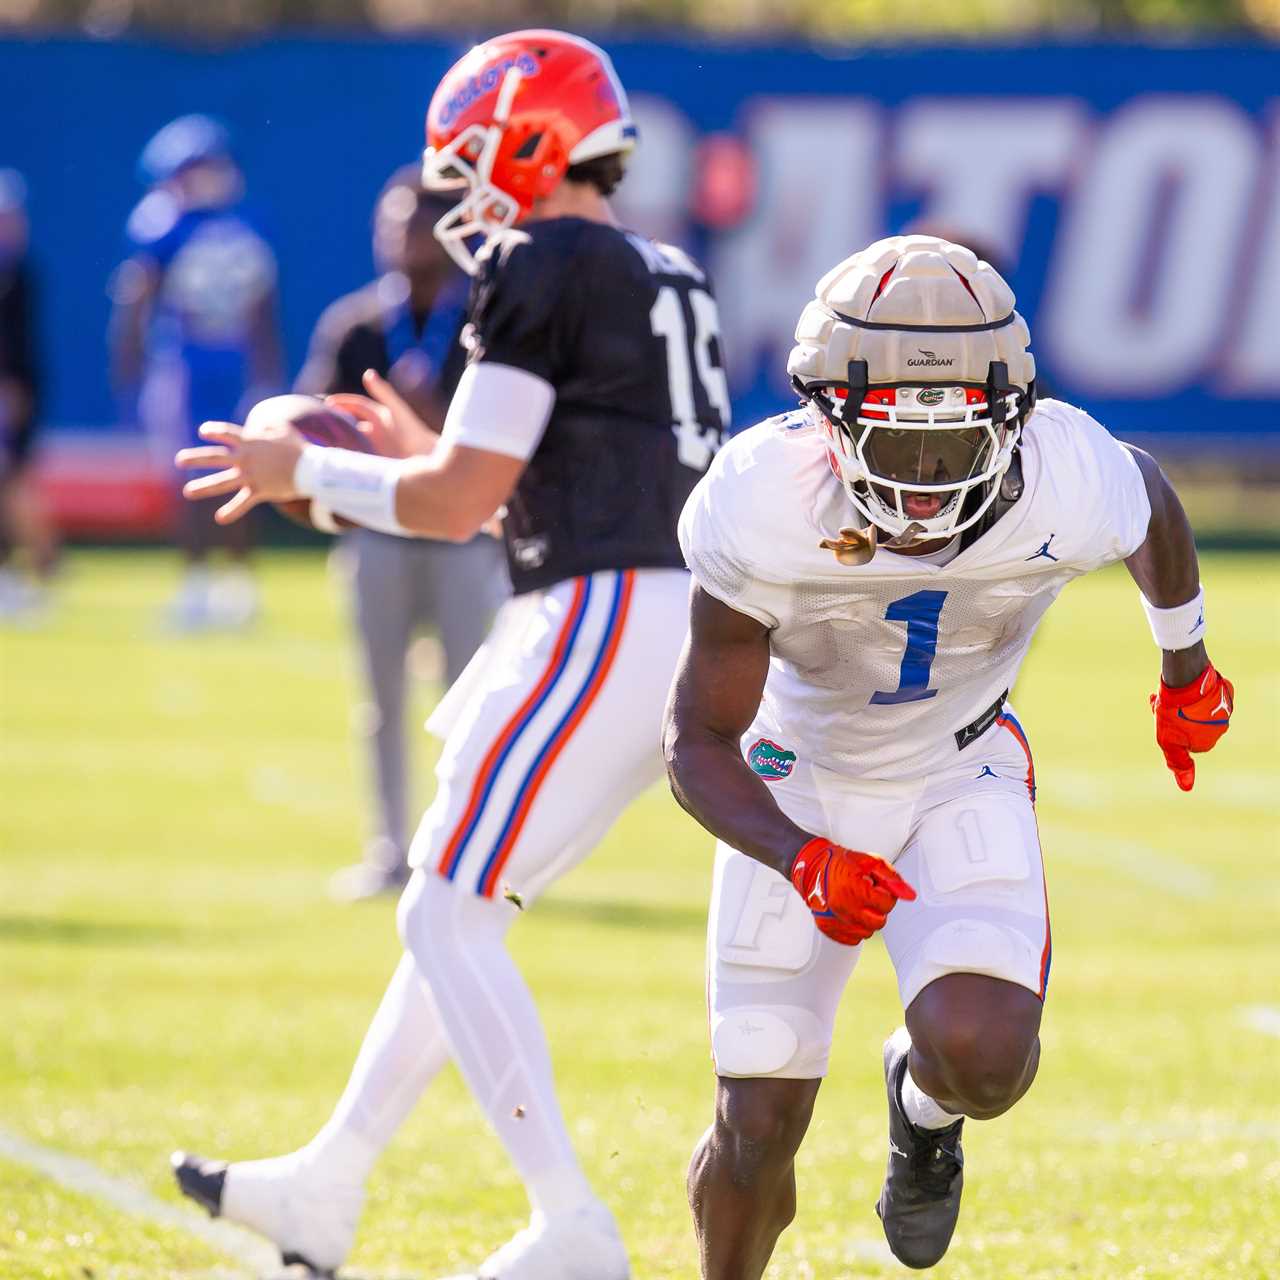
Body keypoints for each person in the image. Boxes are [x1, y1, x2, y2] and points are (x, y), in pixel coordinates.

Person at [169, 30, 729, 1278]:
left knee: (441, 907)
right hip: (664, 612)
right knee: (455, 907)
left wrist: (301, 469)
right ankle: (327, 1179)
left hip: (596, 611)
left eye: (467, 156)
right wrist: (403, 455)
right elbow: (508, 483)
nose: (452, 188)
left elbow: (452, 496)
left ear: (526, 141)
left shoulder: (538, 257)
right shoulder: (663, 267)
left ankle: (569, 1222)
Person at [662, 235, 1234, 1278]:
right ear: (824, 416)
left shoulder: (1064, 470)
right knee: (755, 1121)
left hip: (956, 764)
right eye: (897, 444)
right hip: (795, 772)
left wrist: (1184, 661)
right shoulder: (761, 499)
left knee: (982, 1058)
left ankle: (920, 1112)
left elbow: (1146, 497)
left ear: (1012, 415)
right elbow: (694, 743)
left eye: (953, 443)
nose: (923, 483)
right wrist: (799, 856)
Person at [295, 166, 509, 901]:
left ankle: (468, 852)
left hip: (462, 530)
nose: (399, 237)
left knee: (469, 696)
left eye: (414, 223)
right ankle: (389, 851)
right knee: (380, 698)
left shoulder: (487, 318)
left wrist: (434, 415)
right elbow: (311, 417)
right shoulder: (356, 323)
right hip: (379, 529)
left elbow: (501, 428)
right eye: (389, 223)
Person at [109, 114, 283, 630]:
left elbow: (136, 303)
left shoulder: (173, 226)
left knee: (225, 474)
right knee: (205, 476)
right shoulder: (240, 224)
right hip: (202, 365)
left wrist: (129, 365)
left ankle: (221, 583)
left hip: (197, 363)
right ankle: (215, 583)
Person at [0, 169, 57, 618]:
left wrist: (12, 393)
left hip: (11, 392)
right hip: (13, 388)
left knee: (14, 485)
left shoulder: (17, 274)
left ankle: (43, 566)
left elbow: (16, 346)